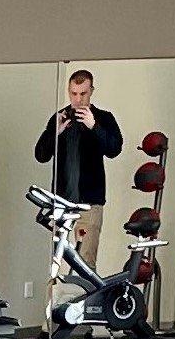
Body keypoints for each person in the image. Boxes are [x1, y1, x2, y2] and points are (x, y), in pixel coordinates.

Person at [34, 68, 123, 264]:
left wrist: (94, 126)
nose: (78, 99)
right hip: (61, 203)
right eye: (73, 94)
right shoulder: (59, 118)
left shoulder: (104, 118)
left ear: (91, 91)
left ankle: (85, 295)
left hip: (89, 204)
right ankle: (54, 296)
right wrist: (55, 133)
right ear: (68, 91)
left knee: (86, 262)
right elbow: (40, 155)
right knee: (56, 262)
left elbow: (114, 149)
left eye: (83, 94)